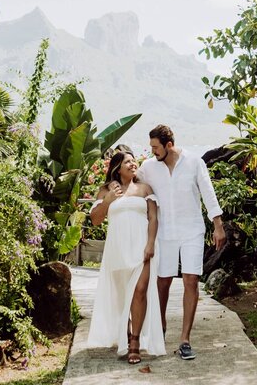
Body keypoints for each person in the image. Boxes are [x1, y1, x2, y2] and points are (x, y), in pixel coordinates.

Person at [137, 124, 227, 361]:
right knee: (163, 281)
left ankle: (185, 339)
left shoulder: (194, 162)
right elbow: (132, 184)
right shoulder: (148, 167)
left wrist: (218, 225)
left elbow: (208, 193)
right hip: (164, 233)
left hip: (192, 231)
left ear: (169, 145)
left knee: (191, 280)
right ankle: (161, 327)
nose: (152, 152)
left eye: (155, 147)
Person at [87, 150, 164, 364]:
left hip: (142, 247)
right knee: (122, 297)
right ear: (117, 167)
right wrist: (109, 199)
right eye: (128, 161)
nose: (133, 164)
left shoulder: (144, 189)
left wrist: (150, 244)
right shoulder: (106, 190)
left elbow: (153, 218)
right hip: (117, 249)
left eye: (134, 161)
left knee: (140, 291)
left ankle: (135, 343)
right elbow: (95, 219)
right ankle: (127, 333)